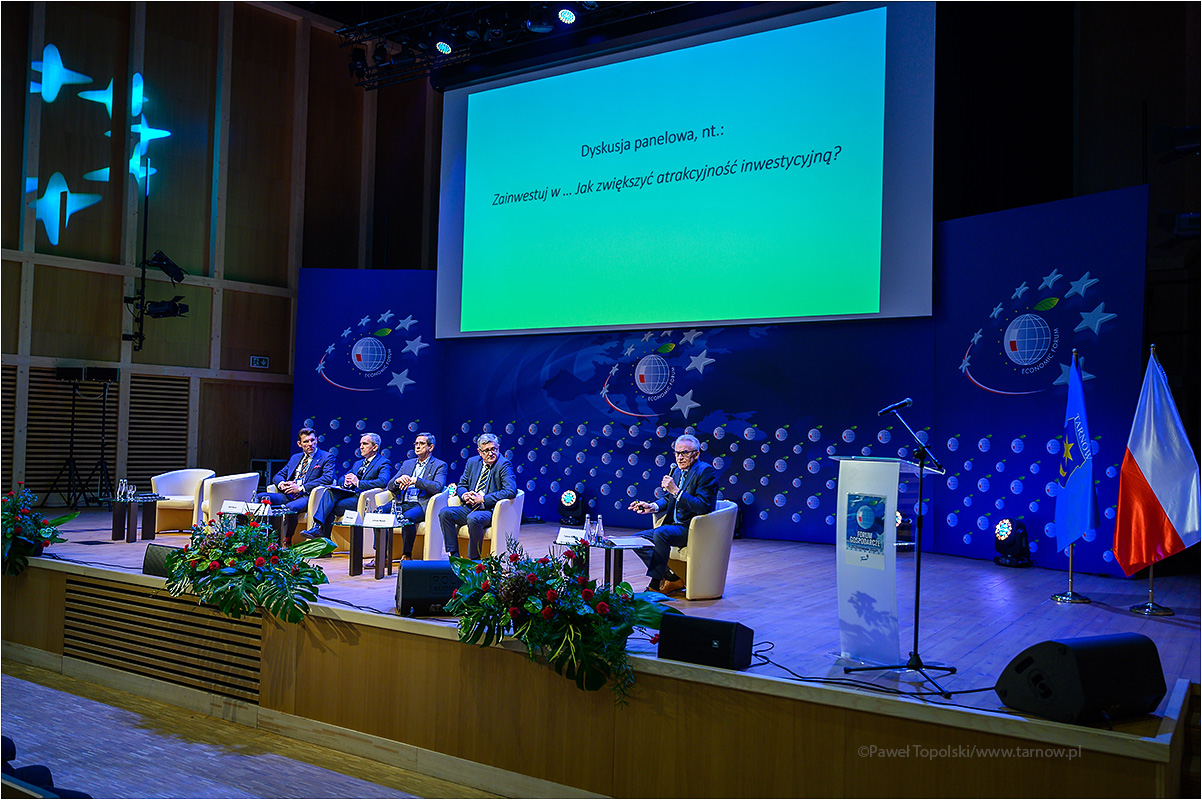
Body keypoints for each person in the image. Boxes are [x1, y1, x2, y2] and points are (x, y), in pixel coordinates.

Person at [629, 433, 718, 594]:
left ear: (696, 454)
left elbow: (702, 506)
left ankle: (655, 584)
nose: (680, 457)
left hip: (692, 528)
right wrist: (652, 506)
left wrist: (676, 491)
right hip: (674, 525)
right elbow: (669, 498)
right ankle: (670, 577)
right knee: (637, 539)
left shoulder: (705, 471)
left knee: (661, 534)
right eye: (677, 453)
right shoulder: (676, 471)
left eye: (685, 453)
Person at [298, 433, 391, 540]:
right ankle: (317, 527)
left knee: (329, 508)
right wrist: (346, 482)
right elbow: (342, 478)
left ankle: (322, 540)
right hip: (351, 495)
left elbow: (383, 481)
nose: (361, 446)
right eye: (360, 443)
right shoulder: (358, 463)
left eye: (365, 444)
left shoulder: (383, 462)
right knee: (329, 492)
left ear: (375, 447)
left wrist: (358, 483)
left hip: (364, 499)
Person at [438, 433, 517, 559]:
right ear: (479, 452)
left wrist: (483, 499)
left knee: (473, 518)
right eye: (486, 450)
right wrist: (464, 495)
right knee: (445, 513)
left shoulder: (504, 464)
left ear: (498, 448)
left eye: (494, 449)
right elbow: (462, 484)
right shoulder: (472, 462)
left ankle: (474, 560)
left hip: (489, 510)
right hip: (469, 506)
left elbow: (510, 491)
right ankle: (454, 556)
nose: (491, 453)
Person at [256, 428, 335, 536]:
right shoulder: (295, 458)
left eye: (312, 440)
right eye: (306, 441)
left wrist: (301, 487)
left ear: (317, 440)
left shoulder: (326, 457)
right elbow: (278, 475)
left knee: (290, 507)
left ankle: (287, 540)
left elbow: (327, 478)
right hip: (289, 494)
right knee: (260, 497)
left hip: (307, 496)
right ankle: (264, 538)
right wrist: (282, 484)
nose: (310, 444)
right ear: (299, 444)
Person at [385, 432, 448, 560]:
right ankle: (382, 554)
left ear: (430, 447)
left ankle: (407, 554)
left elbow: (437, 487)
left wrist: (416, 481)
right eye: (416, 444)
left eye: (421, 444)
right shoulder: (407, 464)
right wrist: (398, 481)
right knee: (379, 511)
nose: (417, 446)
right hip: (402, 502)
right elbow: (390, 486)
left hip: (420, 504)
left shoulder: (439, 465)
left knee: (407, 518)